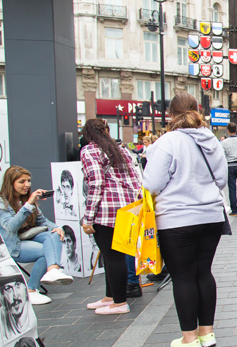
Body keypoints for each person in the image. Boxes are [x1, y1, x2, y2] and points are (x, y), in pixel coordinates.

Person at [144, 94, 227, 347]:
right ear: (197, 111)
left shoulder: (167, 142)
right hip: (211, 216)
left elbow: (152, 183)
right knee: (204, 272)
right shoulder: (211, 140)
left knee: (183, 276)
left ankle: (189, 340)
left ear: (170, 114)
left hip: (176, 218)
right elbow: (222, 179)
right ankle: (207, 333)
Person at [81, 118, 142, 314]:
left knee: (112, 256)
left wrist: (88, 217)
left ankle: (120, 302)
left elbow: (96, 183)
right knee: (113, 255)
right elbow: (135, 180)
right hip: (126, 210)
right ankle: (111, 297)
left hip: (106, 211)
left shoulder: (90, 151)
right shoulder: (121, 150)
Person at [0, 166, 73, 306]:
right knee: (45, 252)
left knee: (54, 235)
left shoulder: (25, 199)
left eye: (28, 181)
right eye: (22, 181)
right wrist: (28, 205)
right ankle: (31, 290)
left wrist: (57, 228)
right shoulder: (2, 202)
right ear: (11, 183)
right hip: (13, 244)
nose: (27, 185)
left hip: (29, 237)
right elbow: (10, 227)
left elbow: (42, 220)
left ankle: (53, 270)